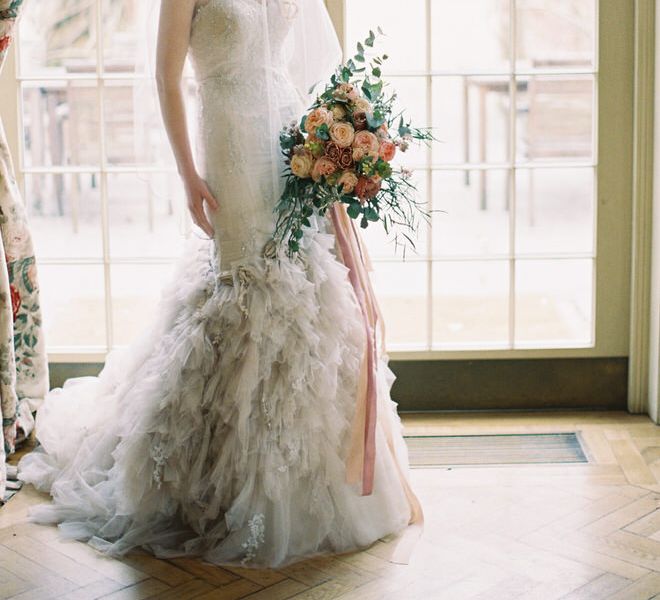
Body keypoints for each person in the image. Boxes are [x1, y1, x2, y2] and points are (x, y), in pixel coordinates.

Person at [18, 0, 423, 568]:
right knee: (239, 283)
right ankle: (217, 485)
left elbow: (304, 59)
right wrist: (188, 174)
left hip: (288, 145)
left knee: (299, 281)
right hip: (228, 140)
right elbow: (165, 77)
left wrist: (336, 142)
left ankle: (311, 478)